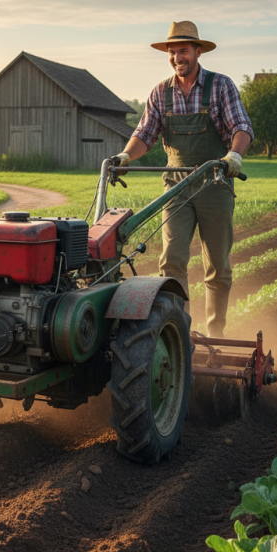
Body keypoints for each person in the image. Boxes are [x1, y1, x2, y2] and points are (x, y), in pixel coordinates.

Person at [112, 21, 254, 337]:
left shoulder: (220, 86)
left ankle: (215, 332)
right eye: (173, 52)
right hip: (175, 187)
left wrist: (234, 155)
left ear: (198, 51)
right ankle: (180, 333)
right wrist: (124, 156)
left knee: (217, 265)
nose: (178, 57)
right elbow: (145, 135)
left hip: (215, 181)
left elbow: (241, 127)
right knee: (172, 262)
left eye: (184, 51)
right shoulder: (160, 93)